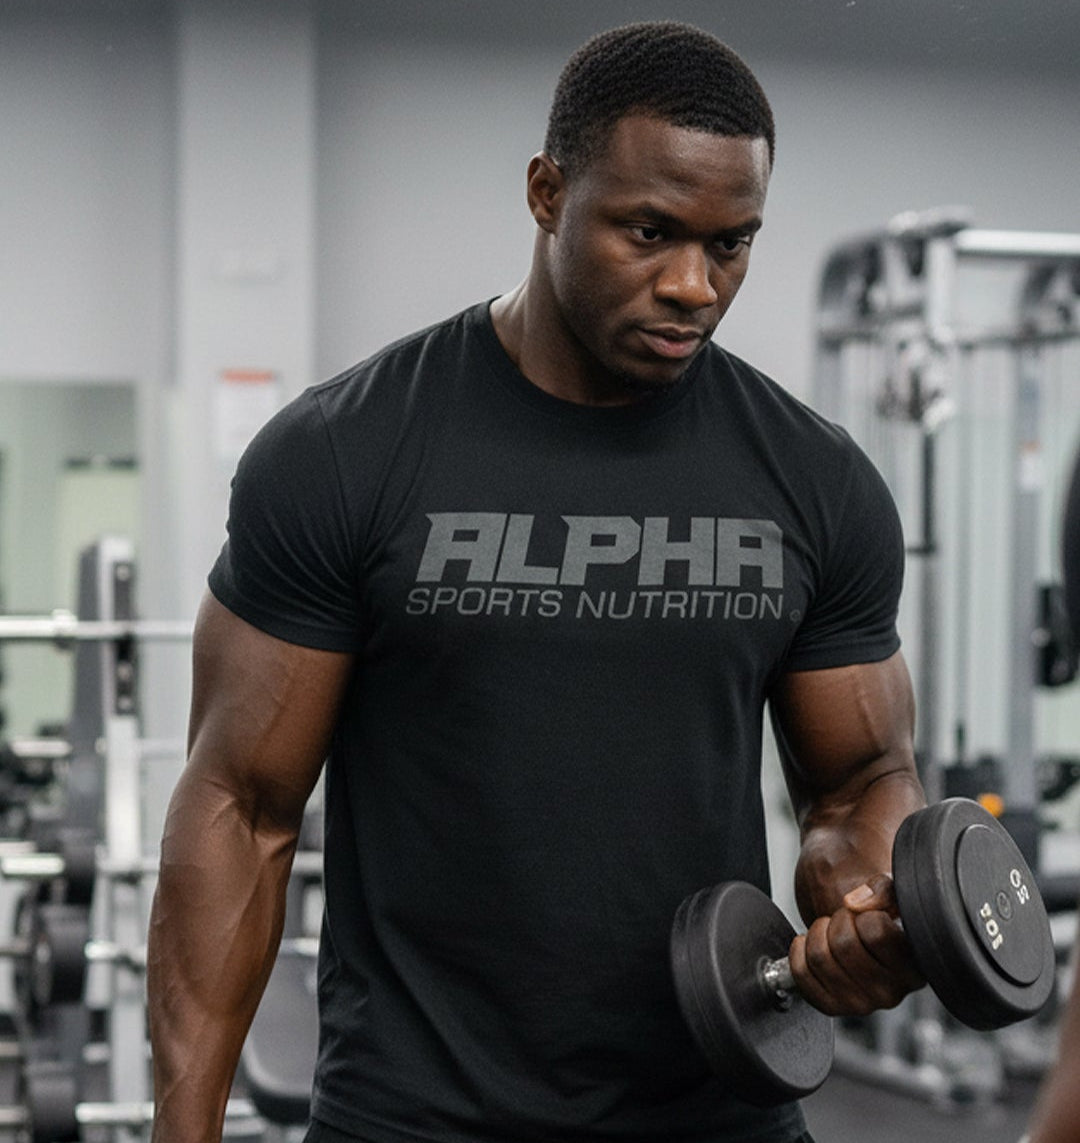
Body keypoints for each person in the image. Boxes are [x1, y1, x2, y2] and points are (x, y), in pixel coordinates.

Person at [146, 21, 927, 1143]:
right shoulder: (346, 453)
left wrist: (862, 915)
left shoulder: (812, 480)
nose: (693, 286)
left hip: (716, 1107)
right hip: (417, 1114)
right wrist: (184, 1133)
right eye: (649, 232)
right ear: (548, 192)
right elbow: (241, 809)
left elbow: (862, 782)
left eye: (732, 244)